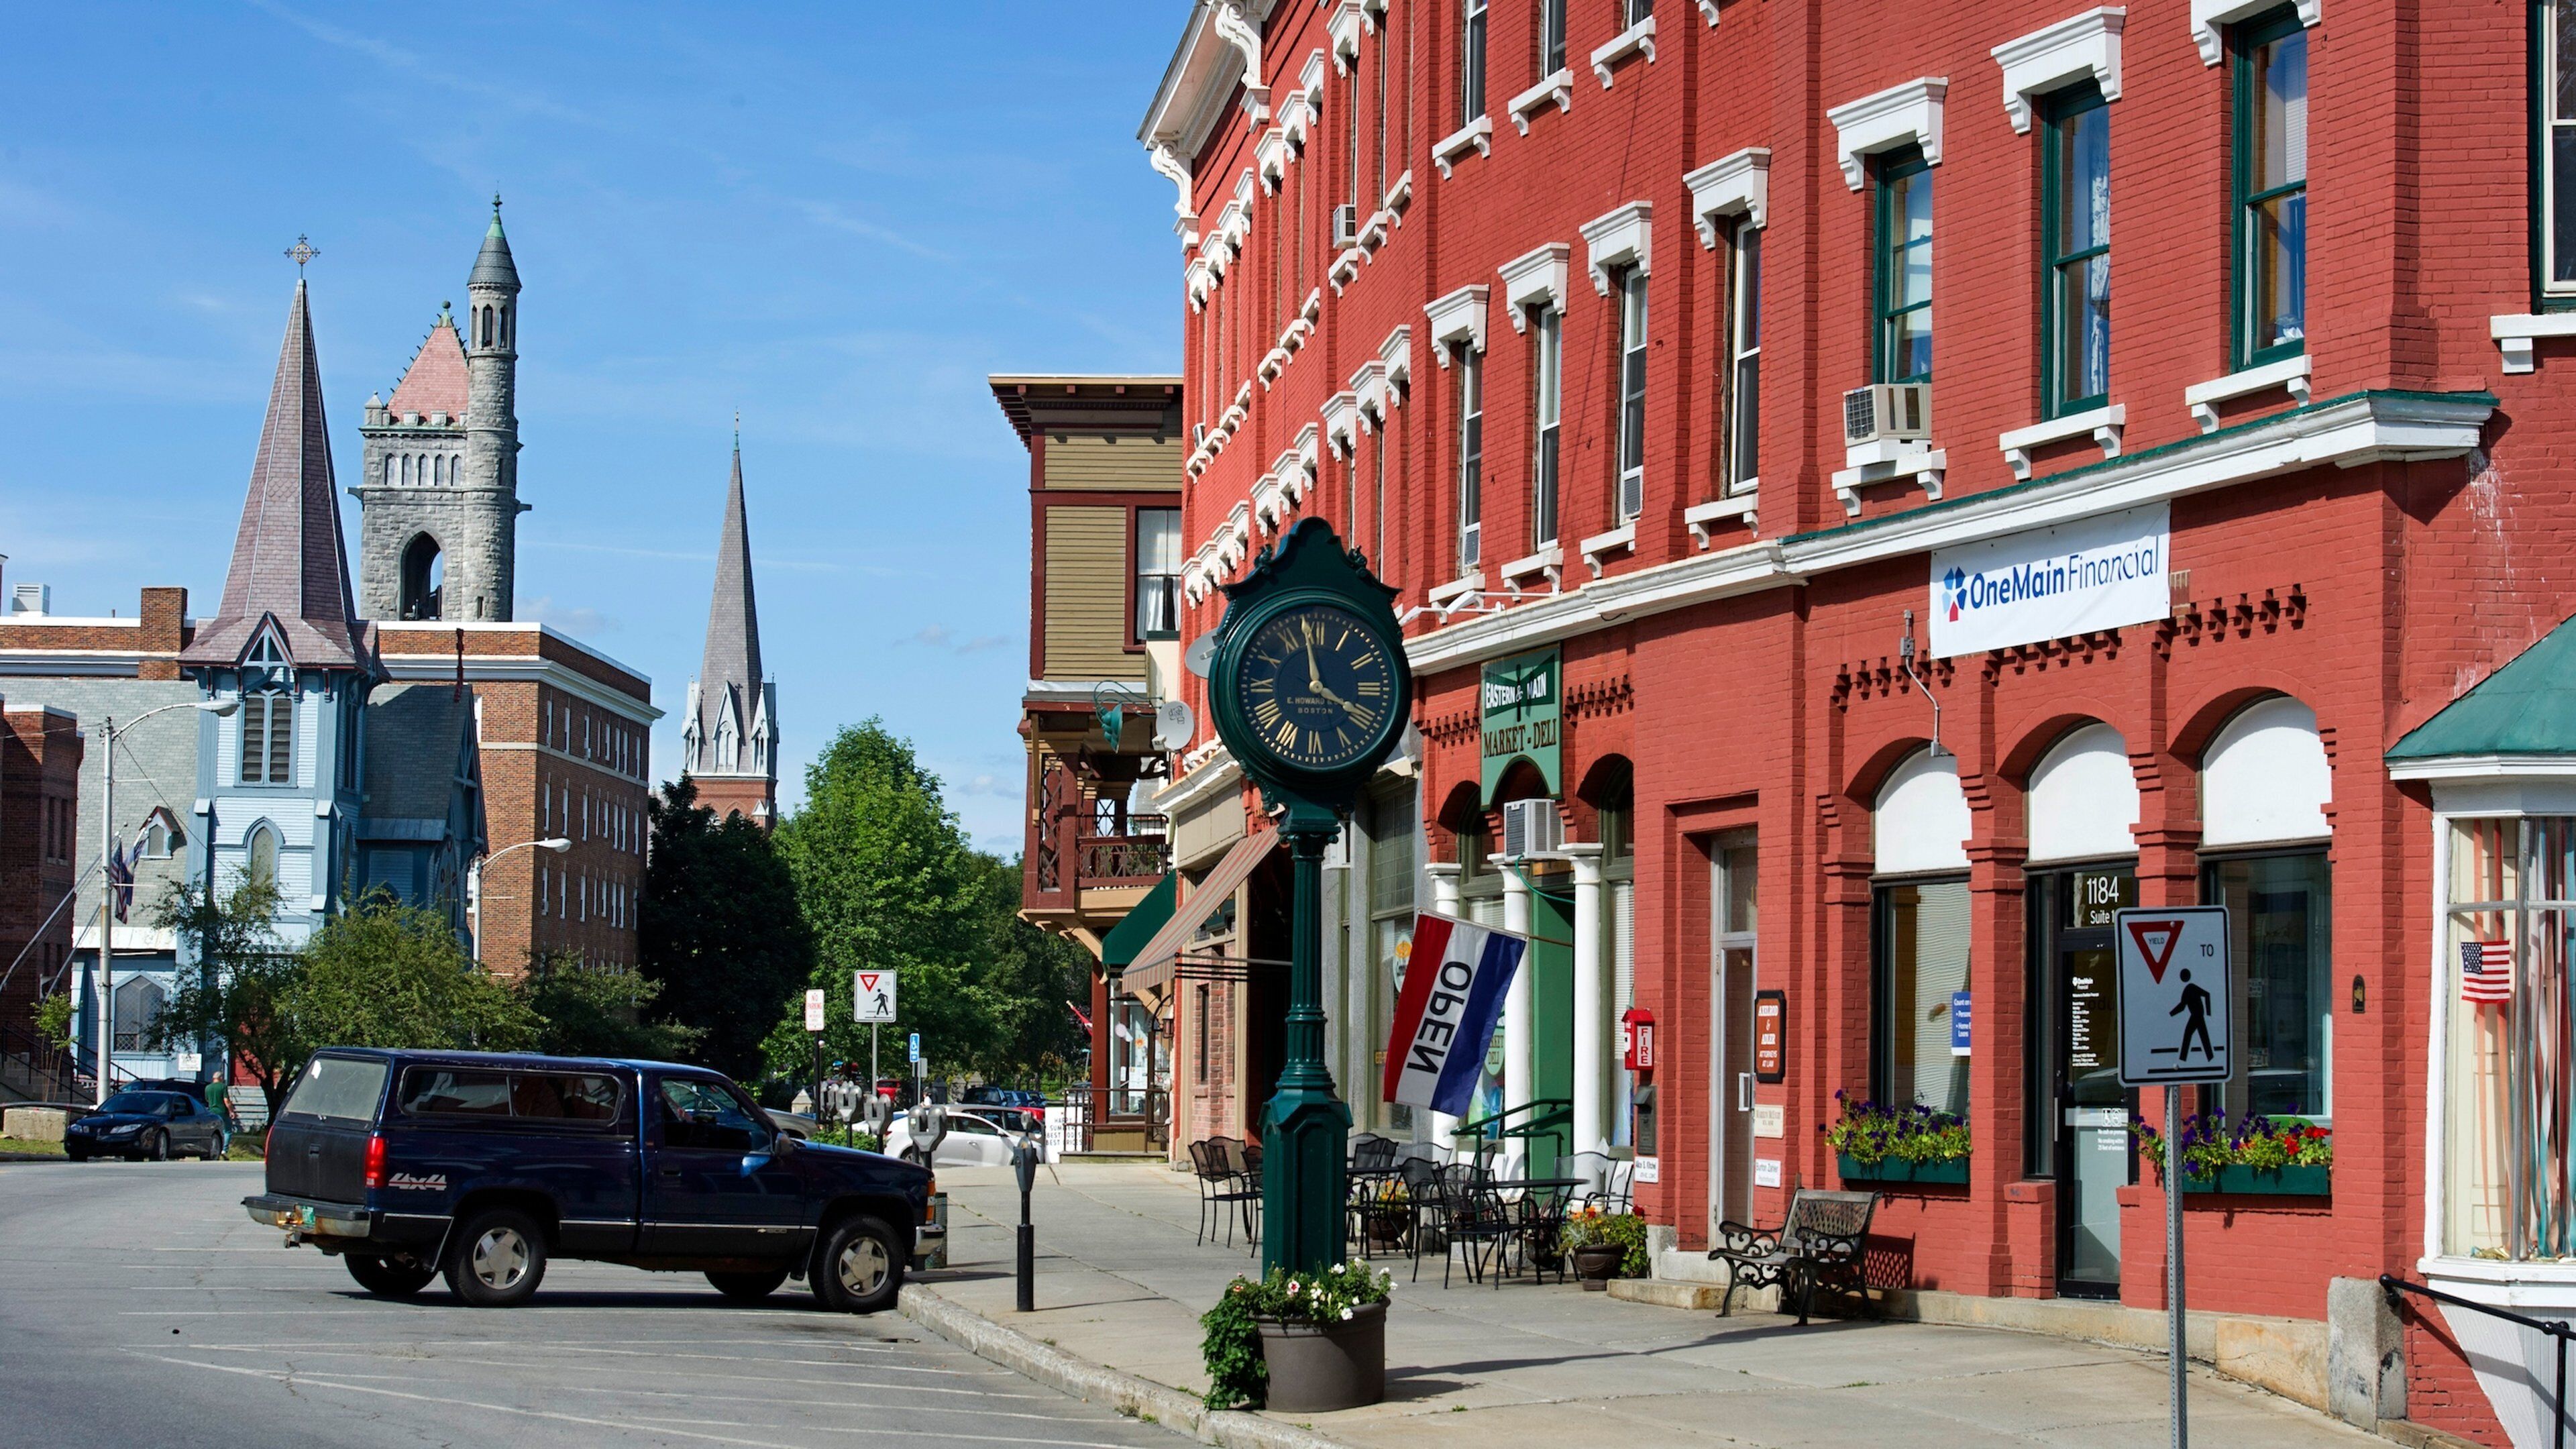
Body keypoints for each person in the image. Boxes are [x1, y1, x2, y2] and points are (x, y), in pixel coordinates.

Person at [2171, 969, 2215, 1063]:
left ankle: (2183, 1058)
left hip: (2197, 1015)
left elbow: (2207, 995)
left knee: (2189, 1034)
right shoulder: (2188, 989)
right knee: (2202, 1036)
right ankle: (2210, 1058)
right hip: (2197, 1015)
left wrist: (2209, 1013)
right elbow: (2182, 1006)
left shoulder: (2190, 988)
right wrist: (2171, 1014)